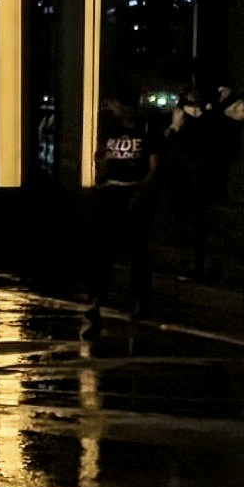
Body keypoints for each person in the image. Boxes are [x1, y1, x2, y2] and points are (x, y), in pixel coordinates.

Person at [86, 95, 163, 338]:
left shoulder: (147, 130)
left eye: (115, 103)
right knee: (103, 248)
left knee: (136, 247)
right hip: (111, 191)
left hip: (132, 191)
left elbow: (153, 166)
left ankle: (141, 299)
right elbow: (103, 155)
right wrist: (101, 169)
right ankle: (96, 299)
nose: (112, 108)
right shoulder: (111, 128)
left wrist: (141, 190)